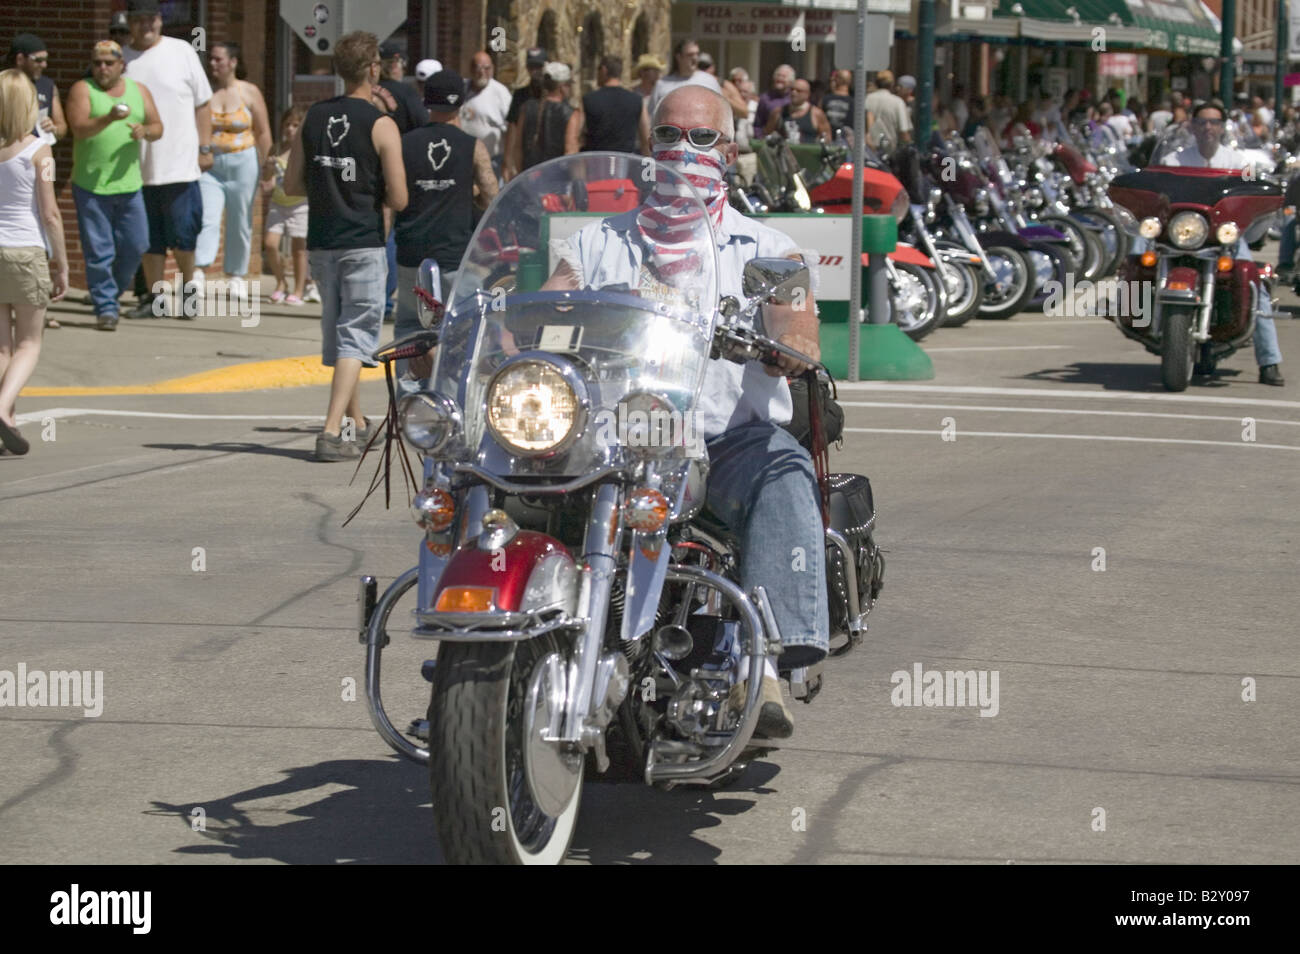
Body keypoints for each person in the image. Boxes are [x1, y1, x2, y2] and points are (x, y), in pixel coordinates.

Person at [542, 85, 828, 737]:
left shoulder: (765, 247)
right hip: (612, 446)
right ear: (649, 148)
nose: (683, 152)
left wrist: (786, 345)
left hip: (727, 442)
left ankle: (770, 663)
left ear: (730, 151)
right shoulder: (596, 244)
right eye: (669, 137)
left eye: (702, 139)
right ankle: (490, 650)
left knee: (783, 470)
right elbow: (548, 315)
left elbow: (801, 334)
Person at [284, 31, 408, 461]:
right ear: (373, 69)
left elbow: (291, 183)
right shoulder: (381, 124)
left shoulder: (313, 119)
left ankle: (356, 420)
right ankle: (332, 430)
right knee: (356, 338)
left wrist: (328, 182)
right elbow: (399, 197)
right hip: (363, 241)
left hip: (321, 241)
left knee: (340, 338)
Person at [1156, 102, 1284, 386]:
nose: (1208, 128)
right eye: (1202, 122)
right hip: (1182, 235)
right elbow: (1158, 192)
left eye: (1214, 122)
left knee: (1255, 284)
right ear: (1192, 125)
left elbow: (1252, 191)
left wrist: (1261, 197)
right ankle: (1128, 308)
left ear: (1223, 126)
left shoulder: (1239, 162)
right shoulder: (1175, 160)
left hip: (1225, 237)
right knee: (1138, 257)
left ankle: (1270, 361)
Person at [393, 69, 496, 383]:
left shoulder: (404, 144)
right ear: (461, 104)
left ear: (427, 102)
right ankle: (451, 407)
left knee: (411, 330)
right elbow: (493, 196)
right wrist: (470, 196)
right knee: (461, 334)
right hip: (455, 256)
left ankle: (411, 409)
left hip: (413, 253)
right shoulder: (472, 146)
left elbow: (395, 196)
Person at [121, 0, 212, 319]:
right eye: (139, 19)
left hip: (181, 166)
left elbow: (203, 104)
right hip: (137, 168)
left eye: (152, 18)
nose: (146, 25)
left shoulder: (182, 52)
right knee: (150, 241)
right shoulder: (121, 59)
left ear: (160, 20)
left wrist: (204, 148)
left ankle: (189, 295)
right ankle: (155, 302)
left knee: (184, 238)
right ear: (129, 23)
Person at [66, 39, 162, 331]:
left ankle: (112, 292)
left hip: (129, 184)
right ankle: (106, 308)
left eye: (109, 63)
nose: (103, 68)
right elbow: (79, 129)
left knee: (137, 244)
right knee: (99, 251)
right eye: (97, 63)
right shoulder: (83, 90)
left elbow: (158, 127)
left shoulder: (138, 90)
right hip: (91, 185)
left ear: (122, 65)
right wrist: (108, 117)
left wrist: (145, 130)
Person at [0, 69, 68, 456]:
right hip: (26, 252)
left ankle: (3, 413)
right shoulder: (39, 152)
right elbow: (51, 214)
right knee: (29, 342)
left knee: (2, 347)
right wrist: (62, 264)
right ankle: (4, 413)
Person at [195, 41, 270, 302]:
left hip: (243, 161)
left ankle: (236, 276)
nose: (213, 64)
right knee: (208, 217)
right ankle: (199, 271)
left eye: (219, 59)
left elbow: (262, 132)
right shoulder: (206, 93)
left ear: (233, 62)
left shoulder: (249, 92)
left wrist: (267, 166)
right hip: (211, 165)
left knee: (240, 219)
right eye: (211, 60)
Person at [261, 106, 309, 305]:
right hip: (278, 204)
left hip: (300, 204)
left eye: (296, 125)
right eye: (287, 124)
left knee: (299, 249)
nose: (290, 129)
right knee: (270, 244)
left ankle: (298, 289)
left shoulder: (305, 149)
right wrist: (269, 169)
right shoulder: (276, 148)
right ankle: (281, 283)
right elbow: (267, 182)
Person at [510, 61, 576, 176]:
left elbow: (517, 148)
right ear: (562, 87)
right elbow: (570, 153)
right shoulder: (570, 114)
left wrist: (522, 176)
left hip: (529, 179)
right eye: (569, 85)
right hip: (557, 183)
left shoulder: (526, 108)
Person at [577, 55, 647, 156]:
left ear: (604, 70)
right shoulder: (637, 100)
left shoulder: (588, 99)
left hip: (596, 161)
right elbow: (645, 139)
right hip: (625, 163)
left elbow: (577, 135)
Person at [460, 51, 512, 176]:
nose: (482, 73)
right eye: (478, 68)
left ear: (493, 69)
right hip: (464, 159)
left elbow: (510, 128)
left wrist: (508, 161)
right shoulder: (461, 88)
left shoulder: (500, 92)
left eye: (487, 68)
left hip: (491, 160)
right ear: (471, 69)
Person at [9, 34, 66, 143]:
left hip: (37, 152)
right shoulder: (4, 84)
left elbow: (61, 127)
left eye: (45, 59)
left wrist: (53, 128)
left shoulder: (48, 85)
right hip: (8, 153)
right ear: (20, 59)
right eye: (38, 60)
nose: (44, 65)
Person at [648, 38, 721, 121]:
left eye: (697, 54)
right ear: (678, 57)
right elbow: (652, 115)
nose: (695, 58)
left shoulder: (709, 81)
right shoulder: (662, 85)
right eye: (690, 55)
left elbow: (720, 111)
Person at [502, 47, 546, 181]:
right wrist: (507, 163)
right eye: (532, 67)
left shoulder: (552, 95)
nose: (535, 71)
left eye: (538, 66)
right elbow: (512, 127)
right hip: (525, 156)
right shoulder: (521, 95)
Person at [764, 77, 830, 144]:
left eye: (799, 91)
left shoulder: (817, 114)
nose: (794, 93)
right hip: (784, 152)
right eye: (792, 89)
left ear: (807, 94)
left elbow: (827, 137)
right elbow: (767, 135)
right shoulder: (778, 112)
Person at [865, 69, 910, 152]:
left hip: (869, 150)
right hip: (890, 151)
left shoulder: (867, 99)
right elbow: (904, 131)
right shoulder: (898, 102)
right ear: (892, 84)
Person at [754, 64, 794, 131]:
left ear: (791, 81)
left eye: (783, 77)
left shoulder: (794, 98)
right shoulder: (765, 98)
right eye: (778, 75)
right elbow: (758, 124)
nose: (779, 78)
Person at [821, 69, 853, 142]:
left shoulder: (825, 99)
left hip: (828, 141)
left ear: (837, 80)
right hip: (847, 143)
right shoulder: (854, 103)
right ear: (850, 82)